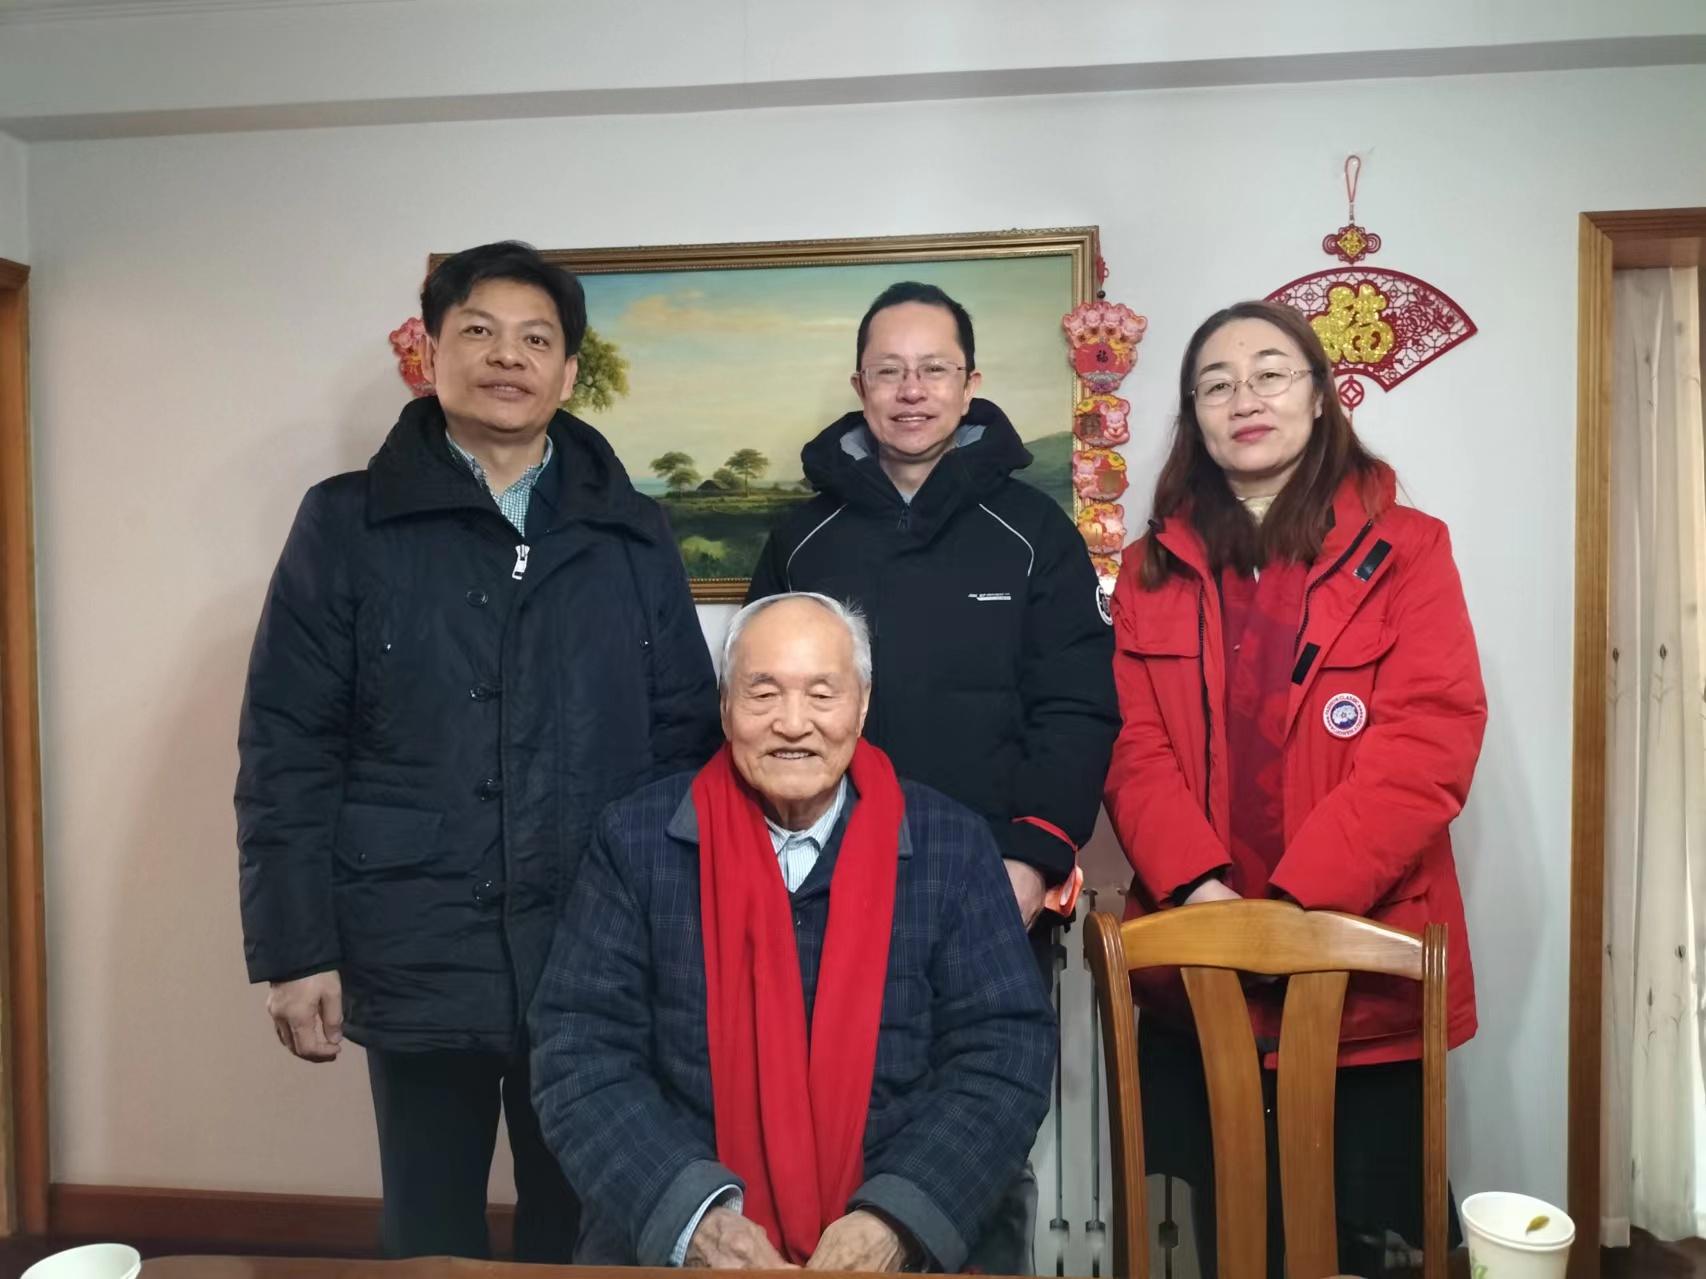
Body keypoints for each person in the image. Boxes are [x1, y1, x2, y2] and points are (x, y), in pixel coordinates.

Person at [235, 241, 720, 1262]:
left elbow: (682, 741)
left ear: (568, 372)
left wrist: (680, 939)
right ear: (430, 352)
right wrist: (294, 948)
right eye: (480, 331)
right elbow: (288, 744)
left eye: (536, 339)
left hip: (595, 947)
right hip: (414, 938)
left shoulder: (632, 532)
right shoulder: (346, 523)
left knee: (585, 1228)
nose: (508, 357)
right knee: (428, 1232)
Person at [1103, 299, 1485, 1278]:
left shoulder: (1409, 549)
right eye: (1216, 384)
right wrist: (1202, 894)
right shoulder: (1147, 570)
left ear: (1320, 396)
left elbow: (1429, 741)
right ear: (1194, 416)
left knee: (1378, 1246)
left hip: (1360, 969)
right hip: (1198, 968)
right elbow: (1132, 747)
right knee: (1229, 1239)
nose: (1244, 398)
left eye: (1269, 373)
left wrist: (1292, 909)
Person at [530, 593, 1055, 1271]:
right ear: (725, 707)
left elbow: (1005, 1052)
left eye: (822, 694)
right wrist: (695, 1221)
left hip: (900, 1227)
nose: (793, 722)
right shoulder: (635, 842)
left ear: (861, 706)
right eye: (763, 693)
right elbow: (579, 1050)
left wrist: (896, 1218)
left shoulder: (952, 845)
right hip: (693, 1230)